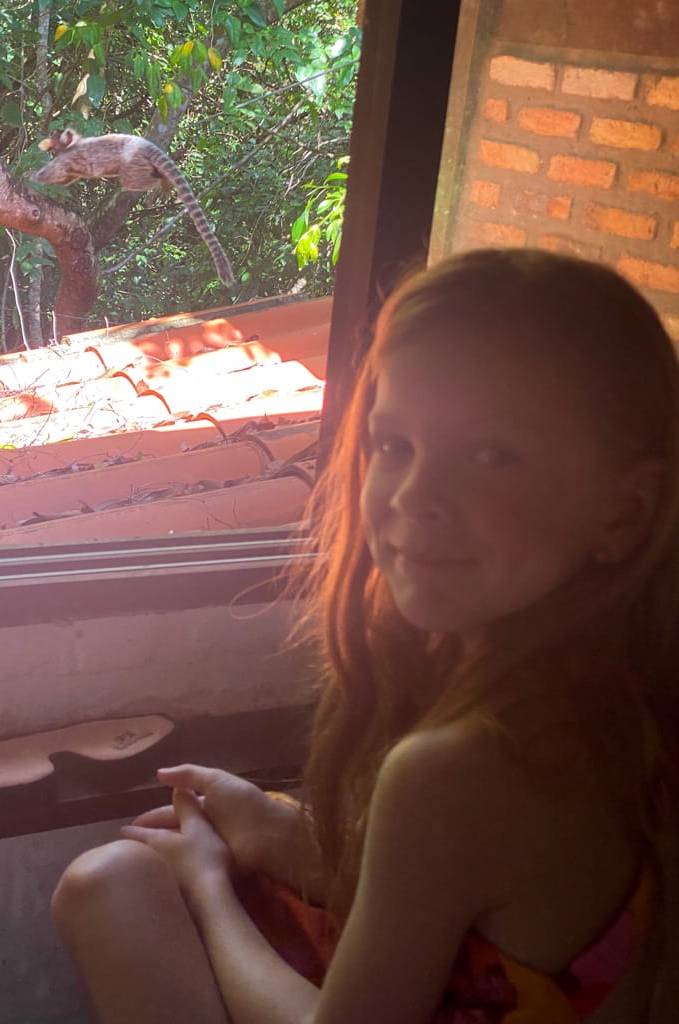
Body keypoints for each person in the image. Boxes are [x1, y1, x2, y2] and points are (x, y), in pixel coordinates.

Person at [51, 248, 679, 1024]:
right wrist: (280, 831)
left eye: (493, 455)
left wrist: (208, 888)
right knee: (110, 882)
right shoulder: (622, 693)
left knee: (104, 892)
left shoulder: (462, 766)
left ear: (620, 512)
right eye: (395, 446)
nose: (416, 496)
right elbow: (466, 884)